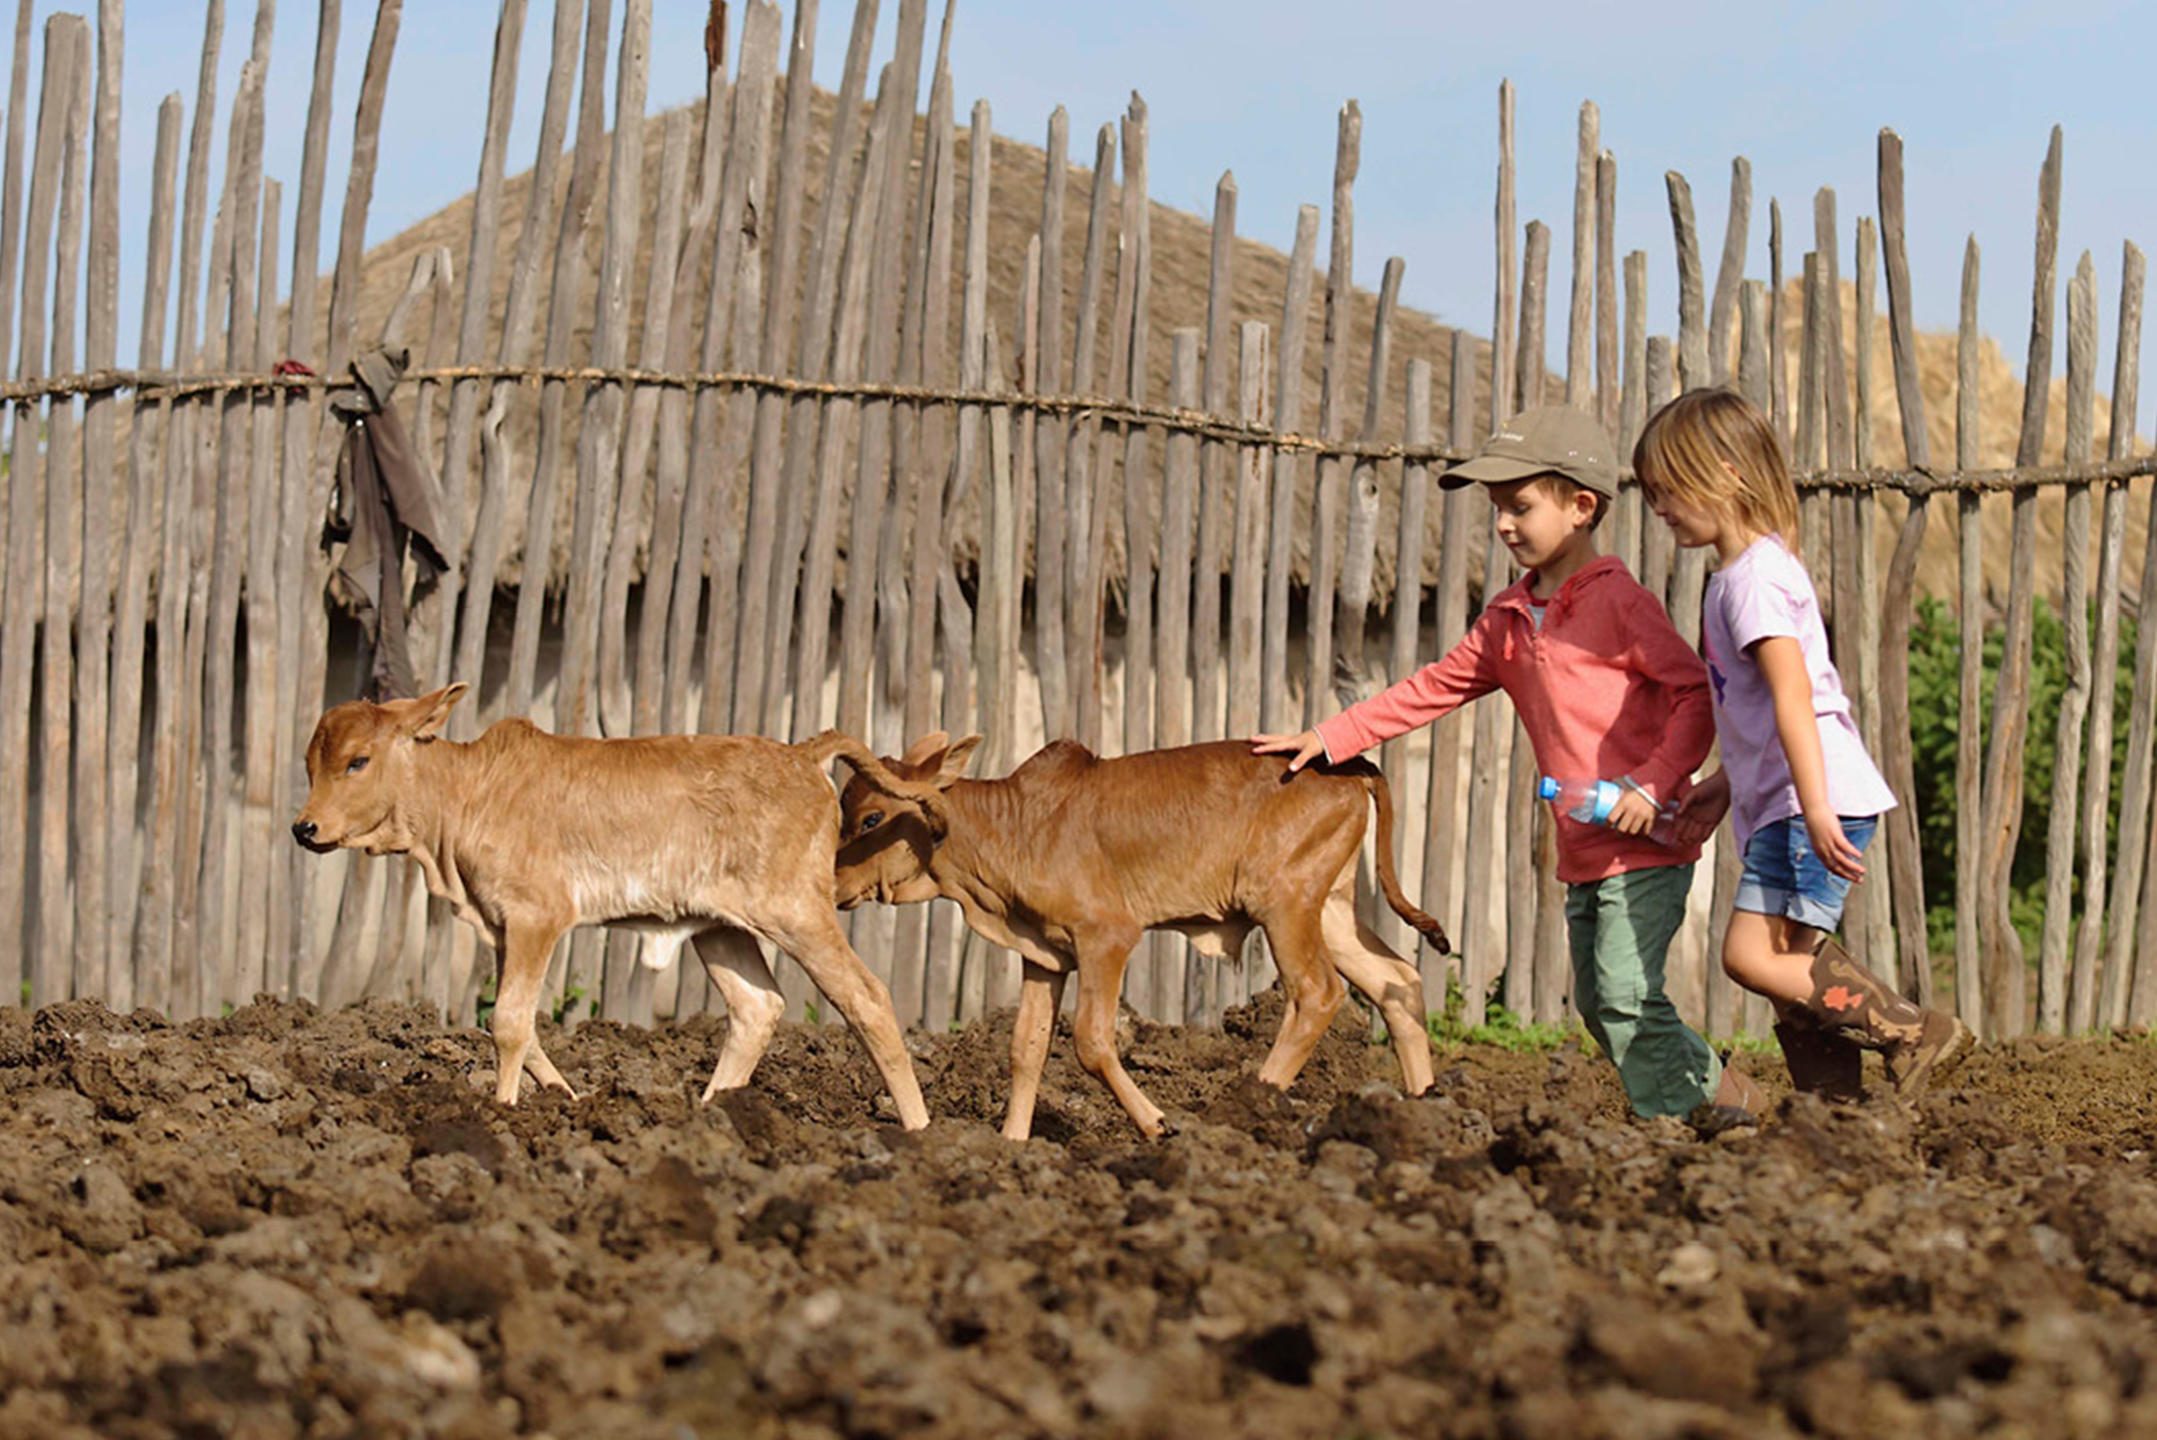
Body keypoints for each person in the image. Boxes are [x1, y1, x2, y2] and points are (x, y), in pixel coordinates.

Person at [1254, 404, 1765, 1132]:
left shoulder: (1621, 604)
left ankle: (1682, 1127)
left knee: (1624, 997)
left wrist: (1652, 783)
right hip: (1582, 846)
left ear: (1581, 506)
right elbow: (1431, 688)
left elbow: (1692, 695)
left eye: (1519, 507)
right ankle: (1728, 1098)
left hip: (1646, 843)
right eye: (1497, 508)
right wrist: (1329, 737)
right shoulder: (1508, 619)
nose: (1502, 524)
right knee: (1600, 1006)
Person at [1636, 387, 1971, 1097]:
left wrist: (1814, 808)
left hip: (1806, 799)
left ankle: (1912, 1031)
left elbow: (1794, 696)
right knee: (1794, 967)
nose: (1658, 506)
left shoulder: (1751, 581)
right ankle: (1835, 1107)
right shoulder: (1745, 573)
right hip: (1796, 794)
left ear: (1725, 473)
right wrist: (1725, 784)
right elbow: (1762, 712)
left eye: (1668, 489)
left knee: (1749, 957)